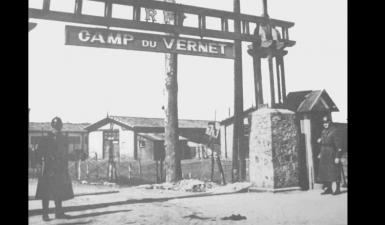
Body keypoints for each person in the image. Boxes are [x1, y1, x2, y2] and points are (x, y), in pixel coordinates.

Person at [35, 117, 74, 221]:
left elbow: (66, 154)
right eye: (56, 126)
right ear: (52, 126)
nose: (57, 129)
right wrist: (39, 165)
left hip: (60, 169)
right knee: (46, 192)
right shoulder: (45, 139)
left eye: (59, 126)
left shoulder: (63, 138)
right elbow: (38, 154)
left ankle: (58, 213)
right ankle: (45, 214)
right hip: (48, 168)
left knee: (59, 191)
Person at [317, 116, 344, 195]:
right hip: (324, 153)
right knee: (326, 172)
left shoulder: (334, 131)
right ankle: (329, 189)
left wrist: (337, 156)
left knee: (335, 171)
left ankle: (337, 189)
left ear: (330, 122)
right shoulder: (323, 132)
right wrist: (320, 153)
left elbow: (339, 146)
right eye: (324, 123)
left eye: (327, 123)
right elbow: (323, 143)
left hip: (332, 153)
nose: (325, 124)